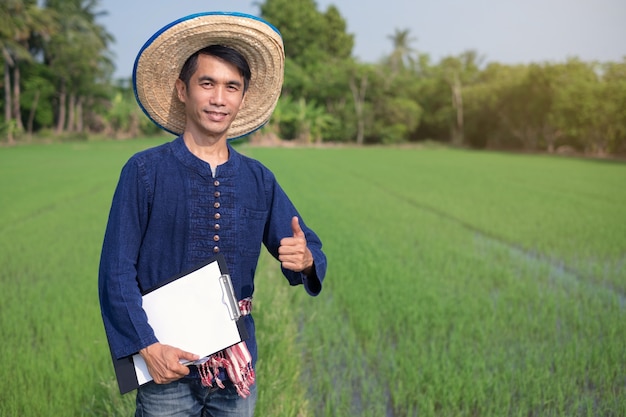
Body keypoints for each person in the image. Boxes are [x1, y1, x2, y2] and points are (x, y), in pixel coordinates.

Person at [98, 12, 327, 417]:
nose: (219, 98)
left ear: (242, 98)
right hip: (167, 369)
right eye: (207, 83)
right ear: (183, 90)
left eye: (231, 87)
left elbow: (304, 246)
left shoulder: (259, 179)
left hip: (235, 370)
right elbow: (116, 271)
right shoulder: (145, 172)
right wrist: (148, 349)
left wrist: (305, 260)